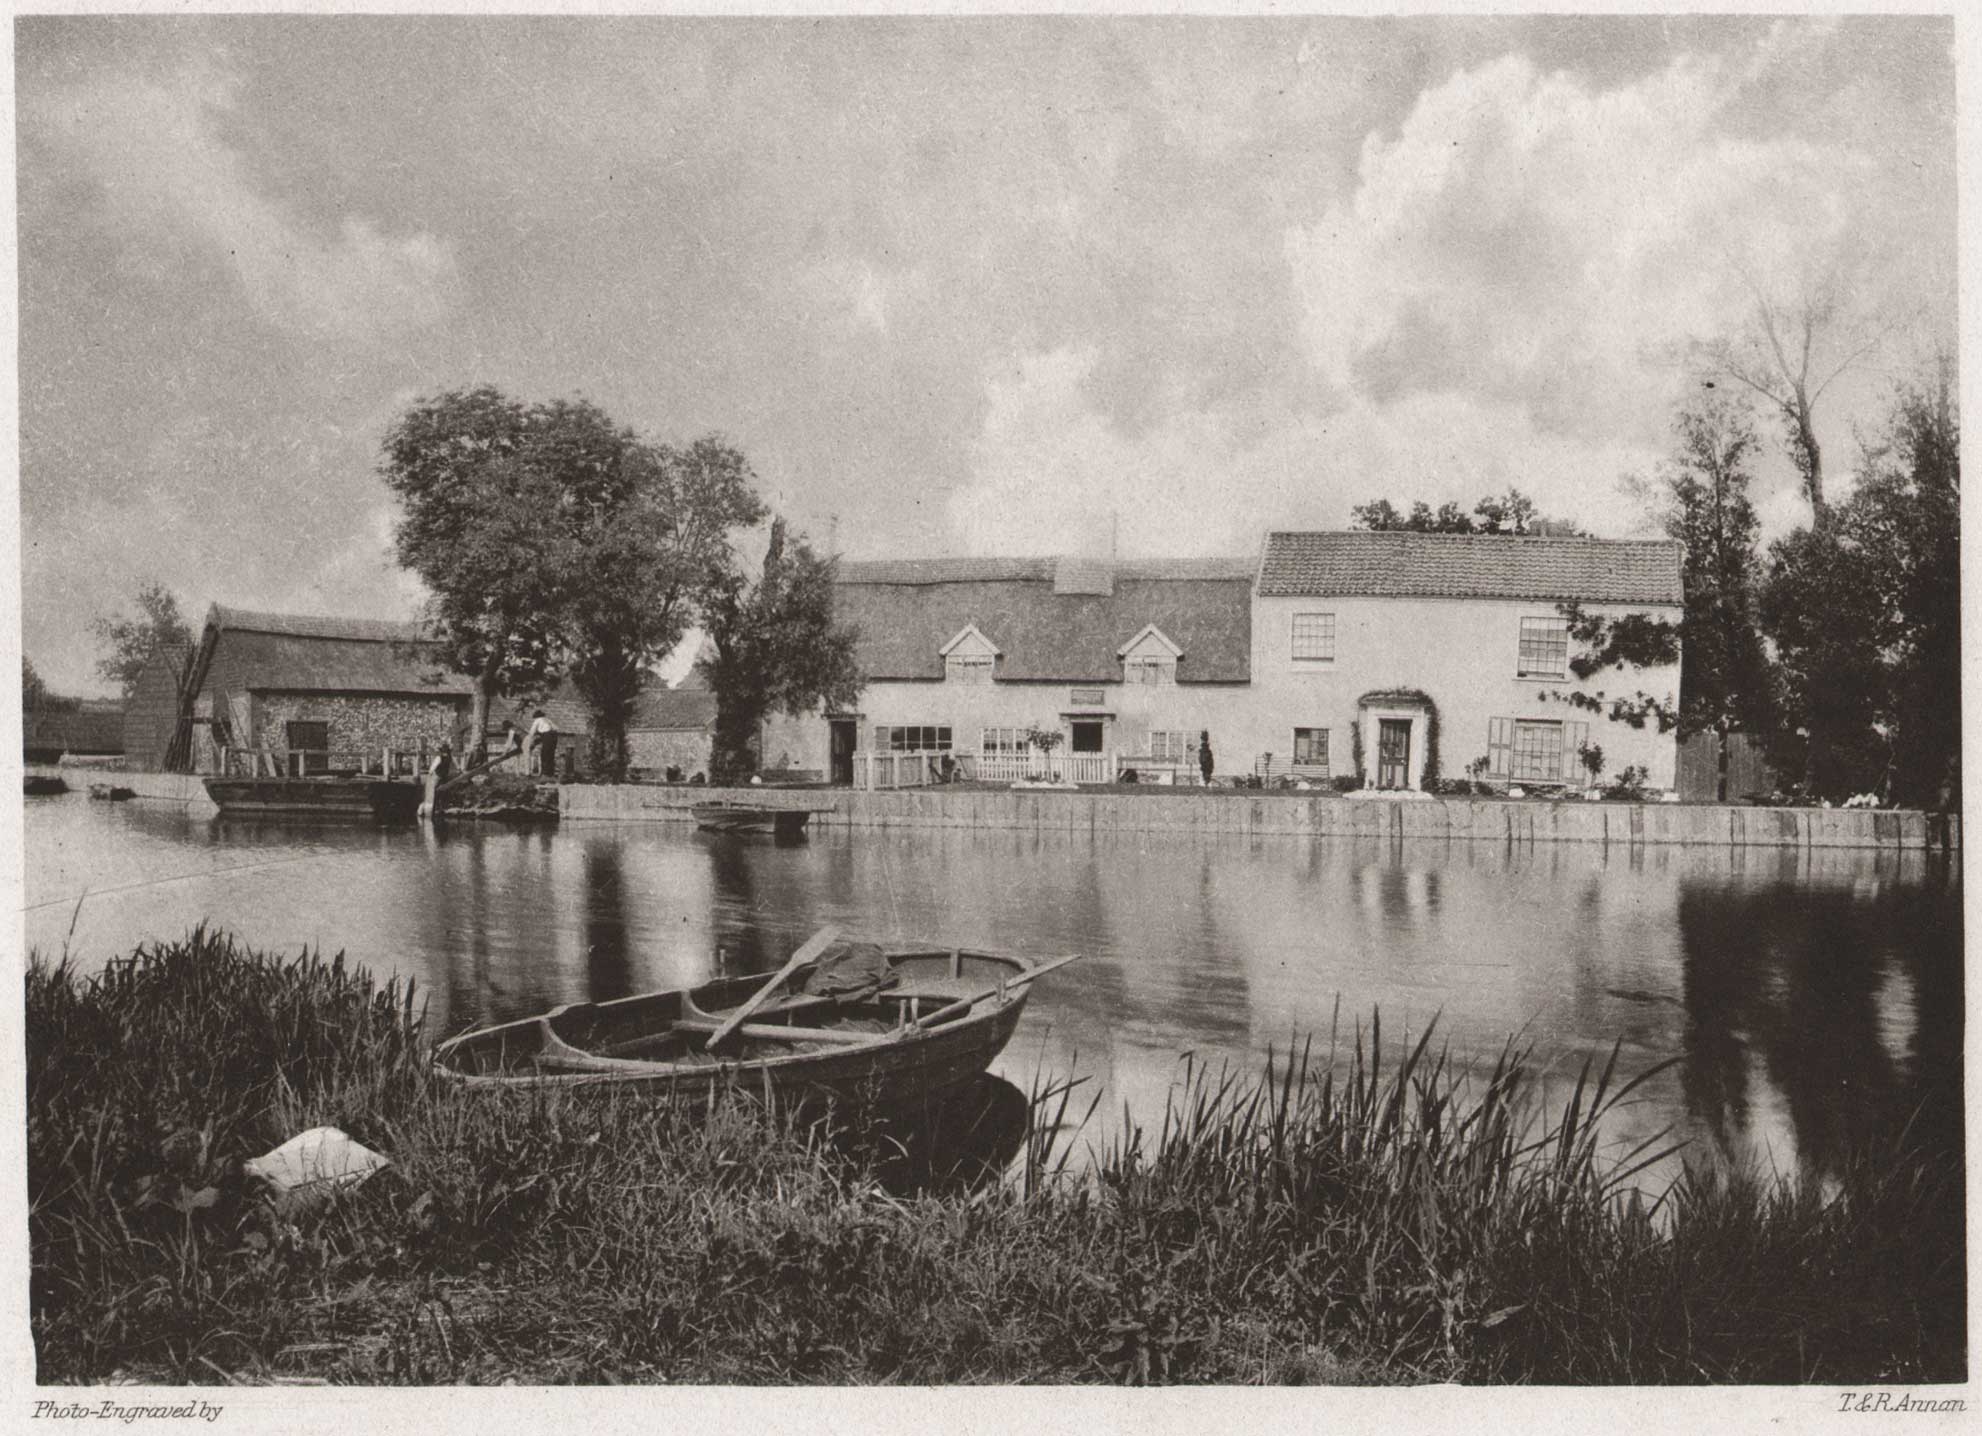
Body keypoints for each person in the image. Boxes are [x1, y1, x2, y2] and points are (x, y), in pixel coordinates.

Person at [527, 709, 559, 777]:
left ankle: (545, 773)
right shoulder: (547, 720)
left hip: (547, 736)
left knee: (544, 754)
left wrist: (529, 741)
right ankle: (550, 772)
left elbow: (532, 732)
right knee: (551, 754)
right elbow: (556, 728)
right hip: (554, 736)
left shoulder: (537, 720)